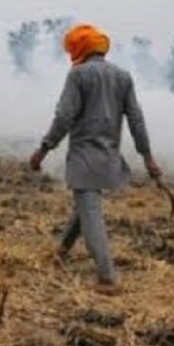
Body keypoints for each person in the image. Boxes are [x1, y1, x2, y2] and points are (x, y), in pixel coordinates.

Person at [29, 23, 162, 295]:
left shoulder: (78, 75)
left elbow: (64, 116)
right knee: (85, 204)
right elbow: (136, 119)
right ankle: (61, 252)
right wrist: (147, 156)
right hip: (109, 155)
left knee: (90, 212)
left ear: (78, 48)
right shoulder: (123, 77)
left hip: (83, 156)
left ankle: (106, 276)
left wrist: (44, 148)